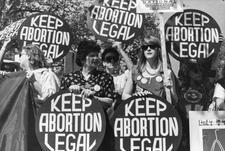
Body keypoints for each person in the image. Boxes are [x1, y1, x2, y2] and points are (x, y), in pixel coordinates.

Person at [60, 39, 115, 151]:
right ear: (82, 58)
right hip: (74, 129)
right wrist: (68, 92)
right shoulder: (69, 78)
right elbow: (59, 103)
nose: (96, 58)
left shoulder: (105, 77)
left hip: (98, 127)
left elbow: (109, 101)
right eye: (91, 55)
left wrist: (94, 98)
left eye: (97, 55)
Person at [122, 36, 178, 104]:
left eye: (152, 46)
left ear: (158, 49)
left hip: (159, 112)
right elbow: (124, 95)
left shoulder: (166, 72)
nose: (148, 49)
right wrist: (135, 98)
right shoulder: (135, 70)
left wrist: (170, 88)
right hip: (138, 111)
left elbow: (175, 101)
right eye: (145, 47)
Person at [102, 41, 133, 112]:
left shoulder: (123, 76)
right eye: (109, 59)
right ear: (103, 63)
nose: (112, 61)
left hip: (121, 113)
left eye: (115, 58)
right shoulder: (99, 78)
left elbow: (132, 70)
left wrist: (121, 50)